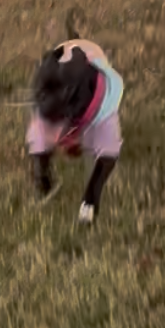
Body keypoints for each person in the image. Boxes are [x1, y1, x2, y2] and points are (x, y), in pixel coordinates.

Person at [26, 37, 123, 225]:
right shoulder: (50, 96)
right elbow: (40, 132)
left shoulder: (105, 108)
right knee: (41, 133)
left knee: (105, 146)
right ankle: (44, 180)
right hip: (66, 78)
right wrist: (42, 173)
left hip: (83, 92)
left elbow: (109, 153)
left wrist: (90, 199)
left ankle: (89, 202)